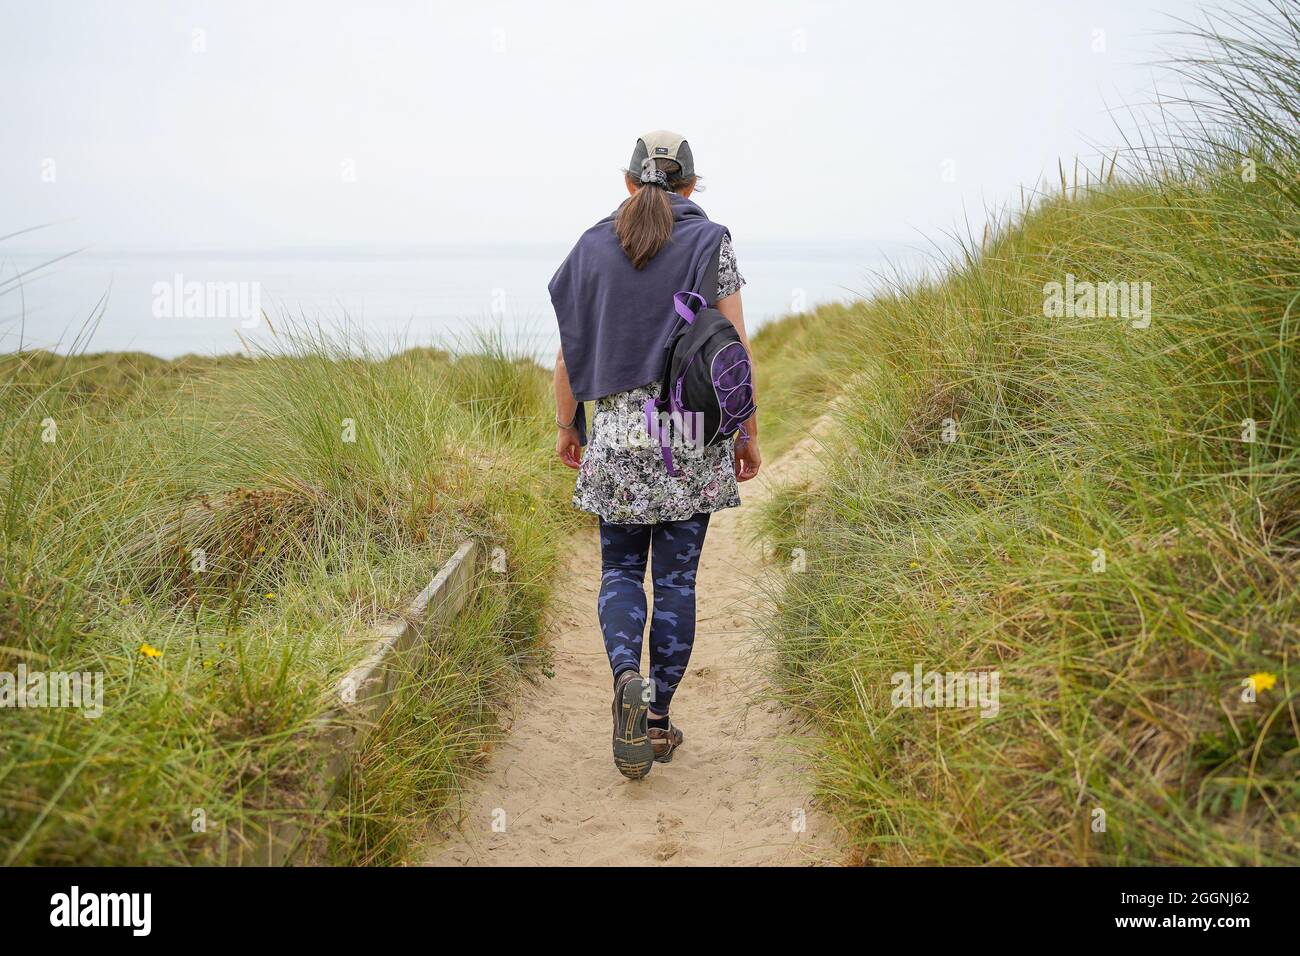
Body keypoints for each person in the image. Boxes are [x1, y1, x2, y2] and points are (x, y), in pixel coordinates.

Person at [548, 130, 761, 780]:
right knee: (674, 581)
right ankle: (659, 721)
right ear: (691, 185)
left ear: (628, 182)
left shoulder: (591, 247)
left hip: (615, 436)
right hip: (690, 439)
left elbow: (568, 353)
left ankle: (626, 681)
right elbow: (734, 350)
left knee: (618, 572)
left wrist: (567, 424)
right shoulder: (710, 240)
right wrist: (748, 431)